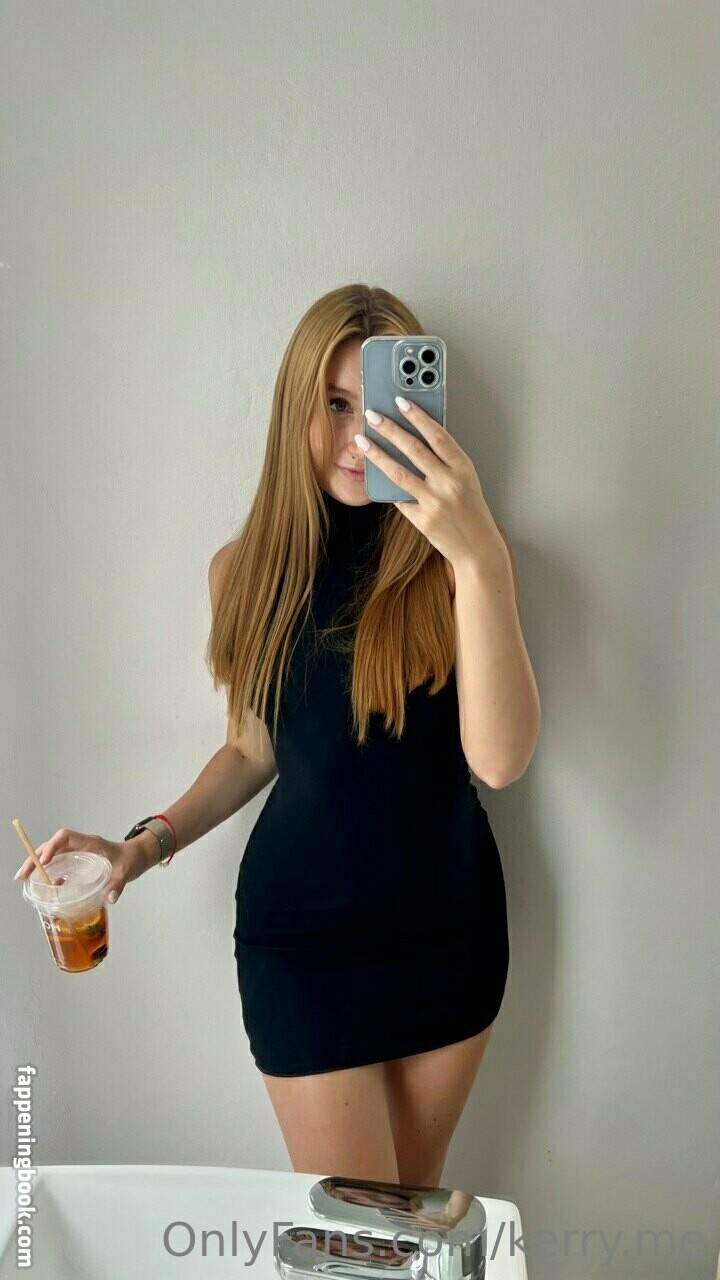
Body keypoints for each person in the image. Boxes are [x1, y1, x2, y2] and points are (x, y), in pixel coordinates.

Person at [14, 283, 540, 1185]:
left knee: (409, 1222)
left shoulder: (461, 560)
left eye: (379, 404)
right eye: (333, 405)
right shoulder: (244, 572)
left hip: (447, 930)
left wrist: (479, 553)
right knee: (356, 1241)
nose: (357, 437)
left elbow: (500, 758)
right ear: (294, 407)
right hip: (305, 944)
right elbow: (254, 748)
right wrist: (138, 849)